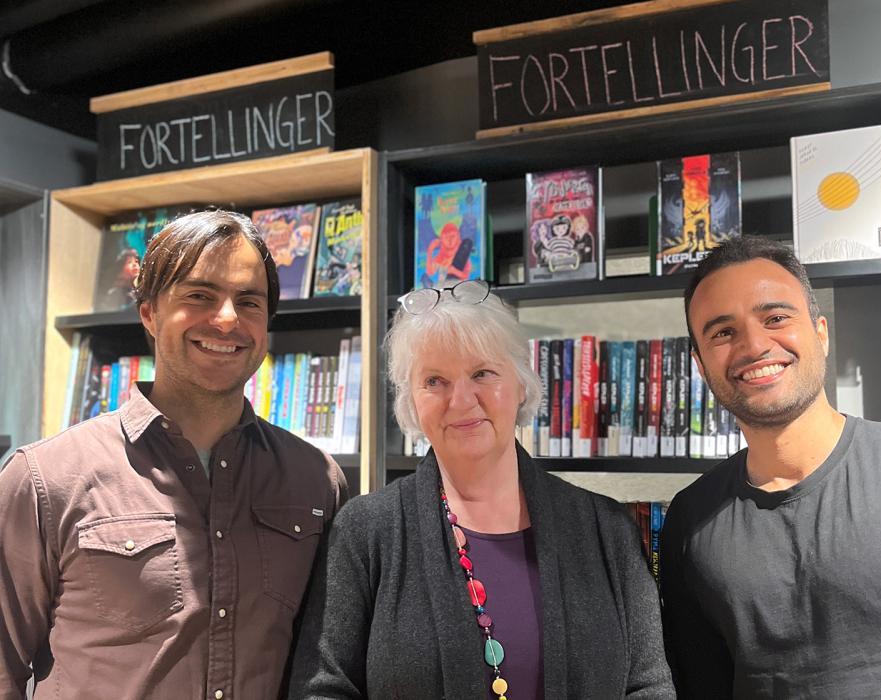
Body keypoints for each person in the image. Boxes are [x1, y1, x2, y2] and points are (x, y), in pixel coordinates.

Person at [0, 210, 347, 699]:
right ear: (149, 313)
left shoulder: (316, 481)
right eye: (199, 296)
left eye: (249, 302)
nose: (227, 319)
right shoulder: (43, 479)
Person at [289, 279, 675, 699]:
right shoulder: (365, 533)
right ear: (410, 403)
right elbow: (324, 688)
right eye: (435, 381)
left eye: (482, 373)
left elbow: (649, 686)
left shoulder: (607, 530)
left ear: (521, 384)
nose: (461, 400)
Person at [661, 235, 881, 698]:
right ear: (700, 366)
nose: (753, 345)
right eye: (723, 332)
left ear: (821, 333)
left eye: (775, 318)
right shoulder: (690, 518)